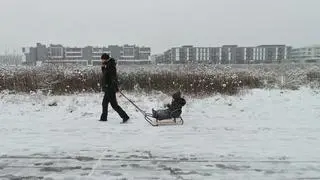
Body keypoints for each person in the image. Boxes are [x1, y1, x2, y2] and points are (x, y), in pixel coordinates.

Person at [99, 53, 130, 123]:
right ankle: (103, 118)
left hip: (110, 88)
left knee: (114, 105)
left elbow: (113, 77)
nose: (101, 61)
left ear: (105, 59)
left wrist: (114, 87)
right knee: (104, 103)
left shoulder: (111, 66)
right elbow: (105, 75)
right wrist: (103, 67)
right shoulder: (108, 65)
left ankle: (125, 116)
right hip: (108, 88)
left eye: (102, 59)